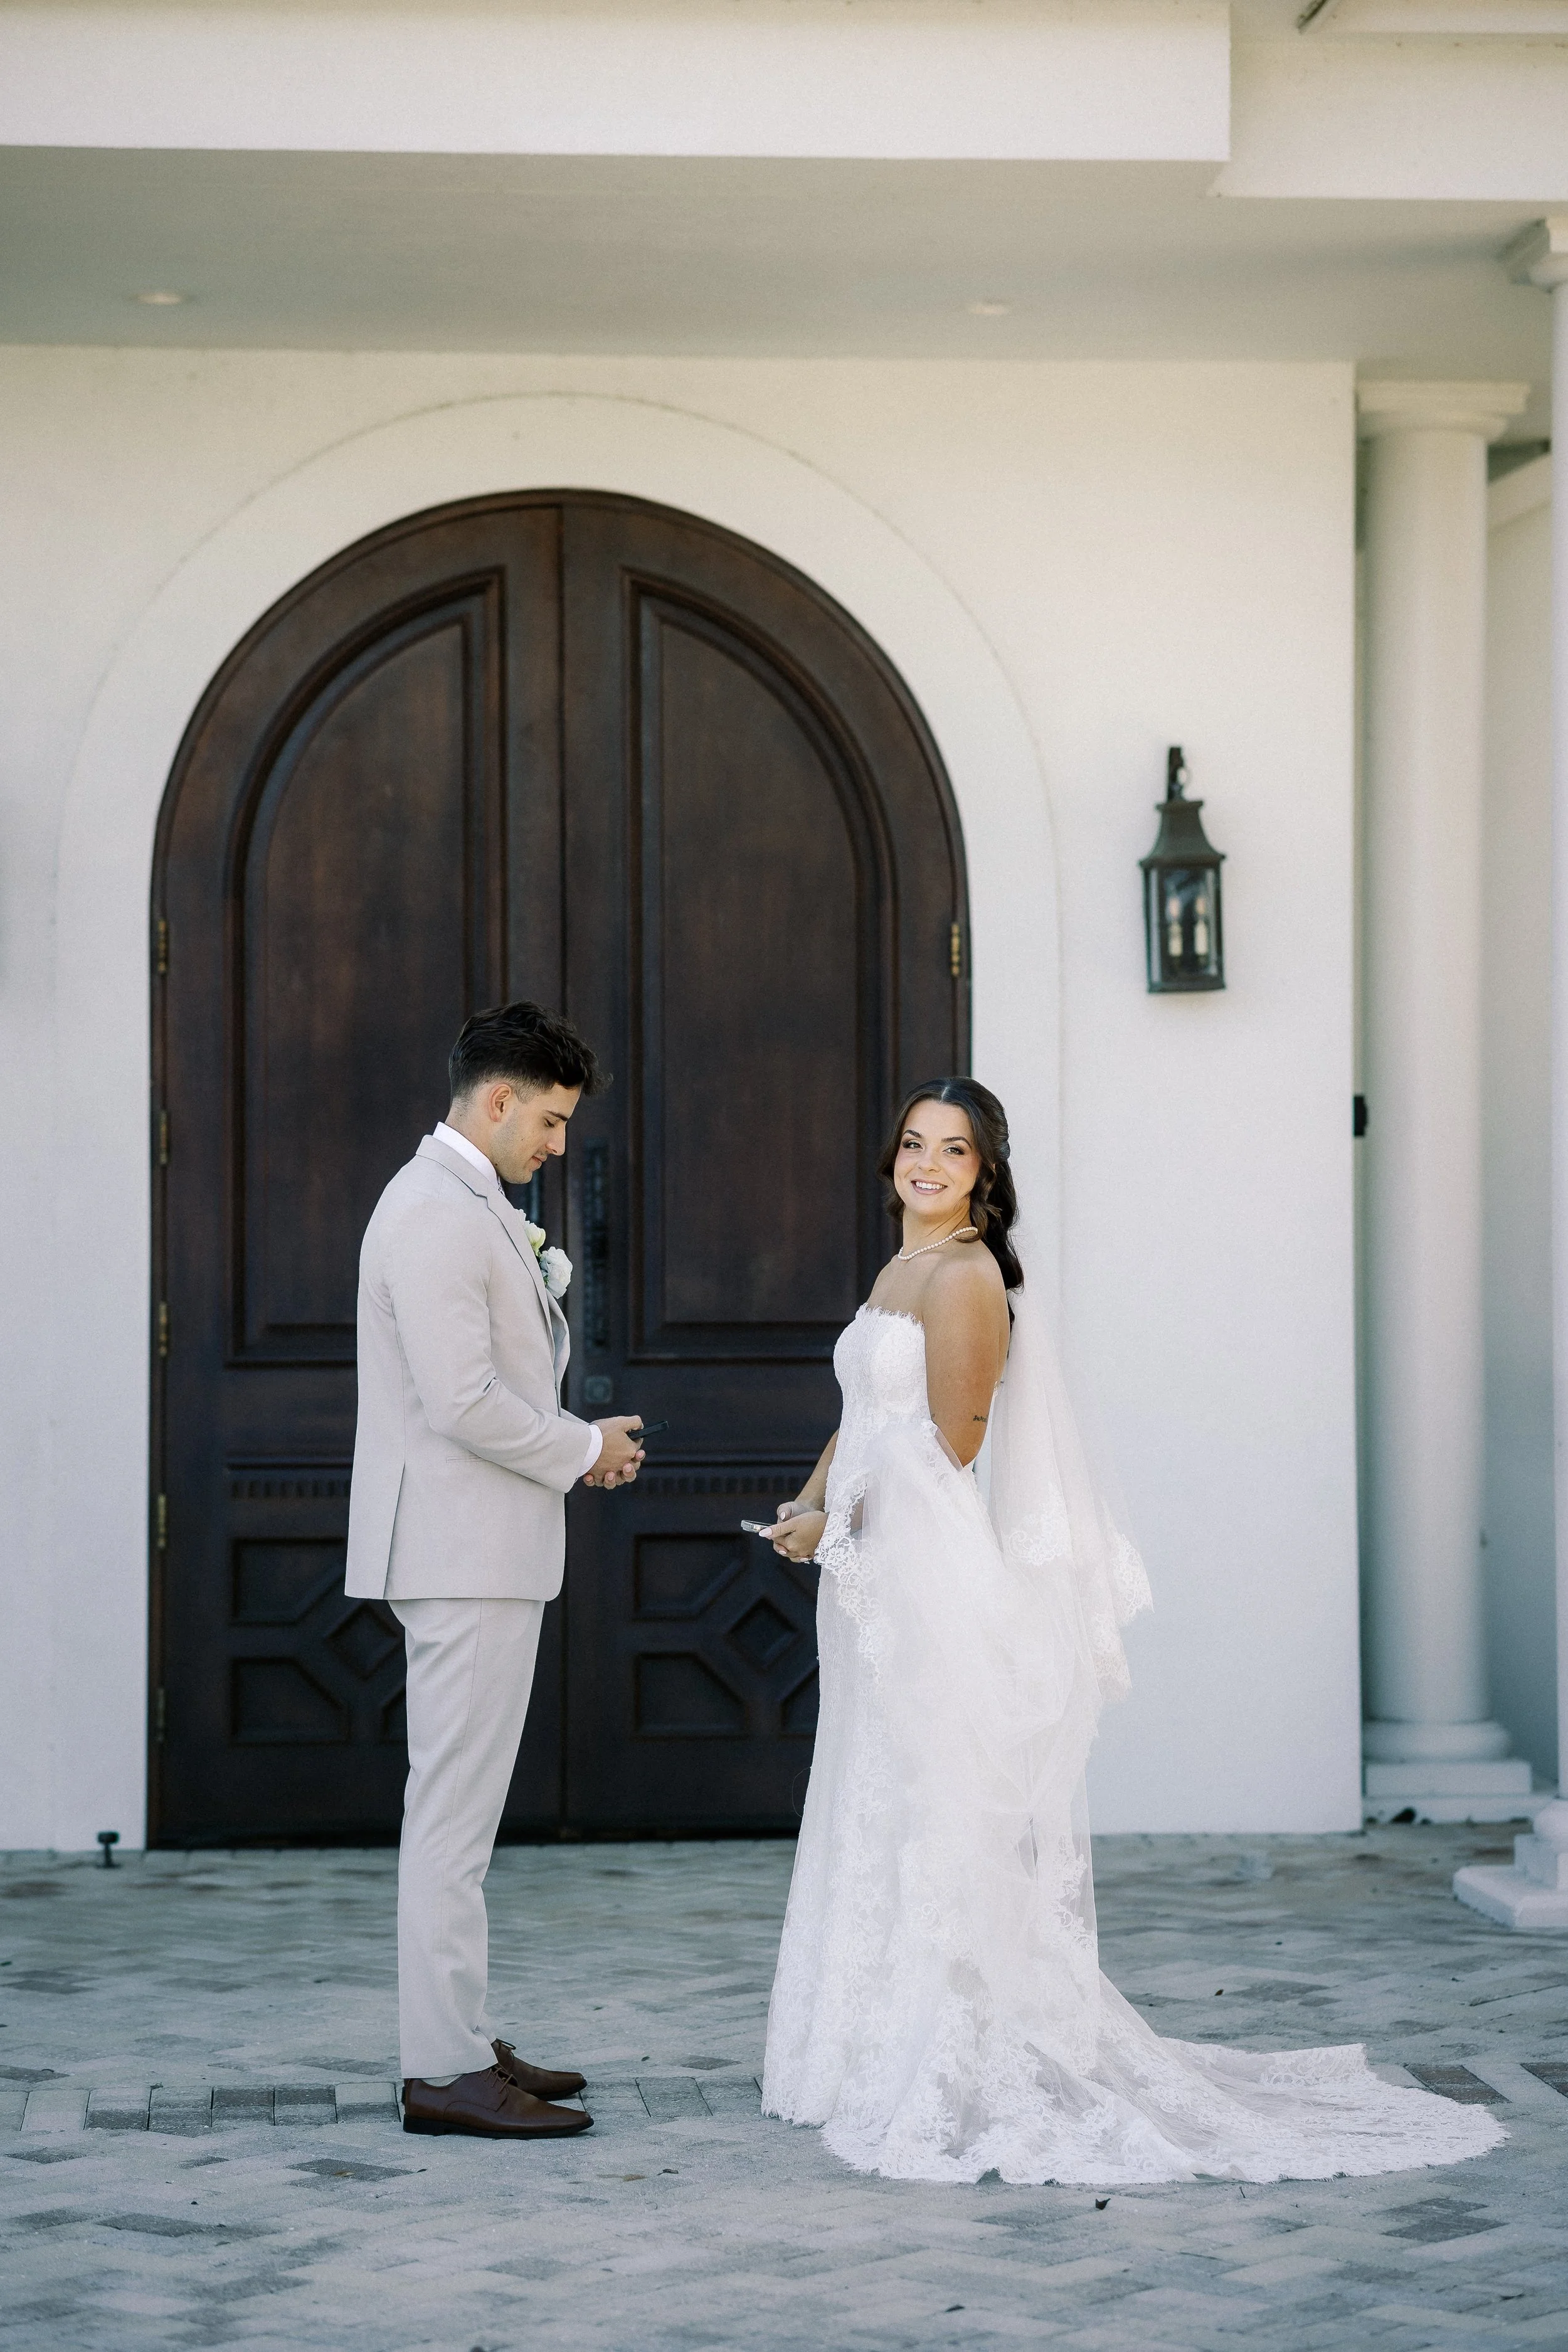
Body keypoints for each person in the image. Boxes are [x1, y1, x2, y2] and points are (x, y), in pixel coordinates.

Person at [760, 1078, 1504, 2186]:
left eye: (951, 1151)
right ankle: (870, 2036)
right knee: (881, 1788)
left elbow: (947, 1452)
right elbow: (863, 1420)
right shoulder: (896, 1271)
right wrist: (810, 1499)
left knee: (937, 1804)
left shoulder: (968, 1278)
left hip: (923, 1571)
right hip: (871, 1570)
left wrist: (841, 1519)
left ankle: (957, 2049)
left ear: (985, 1173)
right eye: (913, 1144)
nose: (925, 1163)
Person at [345, 1002, 647, 2141]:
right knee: (453, 1821)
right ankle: (442, 2069)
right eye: (554, 1121)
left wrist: (576, 1439)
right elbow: (460, 1400)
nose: (559, 1146)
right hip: (460, 1549)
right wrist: (582, 1447)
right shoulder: (432, 1211)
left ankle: (462, 2040)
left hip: (485, 1546)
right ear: (500, 1098)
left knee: (461, 1817)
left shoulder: (470, 1205)